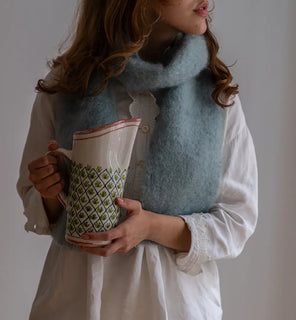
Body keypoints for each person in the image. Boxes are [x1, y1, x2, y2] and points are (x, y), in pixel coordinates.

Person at [17, 0, 258, 319]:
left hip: (174, 306)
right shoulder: (66, 83)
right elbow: (34, 201)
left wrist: (151, 227)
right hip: (78, 299)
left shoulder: (216, 93)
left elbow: (238, 219)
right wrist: (50, 192)